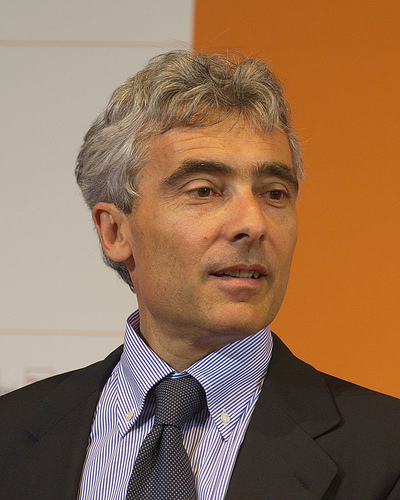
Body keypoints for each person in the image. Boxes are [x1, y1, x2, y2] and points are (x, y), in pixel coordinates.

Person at [0, 50, 399, 500]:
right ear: (115, 232)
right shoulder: (10, 434)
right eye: (204, 191)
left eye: (274, 193)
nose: (253, 223)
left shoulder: (386, 452)